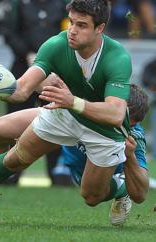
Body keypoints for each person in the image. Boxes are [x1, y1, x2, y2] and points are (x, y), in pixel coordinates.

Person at [0, 0, 133, 223]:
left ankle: (120, 188)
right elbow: (21, 90)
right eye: (71, 22)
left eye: (82, 25)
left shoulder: (117, 57)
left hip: (101, 127)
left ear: (99, 28)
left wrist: (72, 101)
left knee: (91, 196)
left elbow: (115, 114)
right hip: (64, 112)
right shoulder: (55, 45)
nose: (72, 30)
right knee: (13, 158)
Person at [2, 0, 70, 185]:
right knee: (15, 121)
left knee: (55, 117)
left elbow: (68, 32)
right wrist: (26, 54)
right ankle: (11, 173)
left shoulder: (61, 0)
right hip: (22, 65)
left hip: (54, 70)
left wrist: (51, 59)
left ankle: (56, 173)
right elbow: (8, 31)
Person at [60, 83, 149, 225]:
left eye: (129, 125)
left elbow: (140, 194)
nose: (123, 128)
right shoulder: (85, 108)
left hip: (108, 172)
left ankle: (121, 188)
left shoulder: (134, 135)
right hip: (77, 167)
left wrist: (130, 156)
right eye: (121, 121)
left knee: (92, 198)